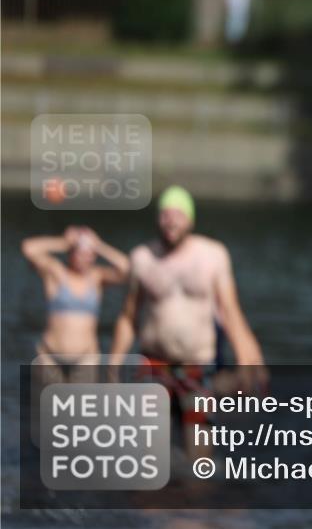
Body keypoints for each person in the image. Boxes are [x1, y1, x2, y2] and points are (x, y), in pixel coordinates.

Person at [110, 185, 267, 459]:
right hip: (153, 366)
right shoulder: (141, 258)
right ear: (158, 219)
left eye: (178, 215)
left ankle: (195, 495)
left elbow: (231, 313)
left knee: (199, 457)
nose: (171, 221)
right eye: (165, 215)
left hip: (196, 369)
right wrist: (111, 366)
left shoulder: (213, 255)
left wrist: (247, 364)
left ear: (190, 220)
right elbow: (127, 317)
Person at [23, 225, 129, 380]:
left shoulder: (97, 277)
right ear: (71, 253)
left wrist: (99, 245)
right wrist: (62, 242)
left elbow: (127, 269)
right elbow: (28, 248)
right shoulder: (56, 273)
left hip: (85, 360)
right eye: (80, 253)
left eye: (89, 254)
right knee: (48, 403)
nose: (85, 258)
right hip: (50, 358)